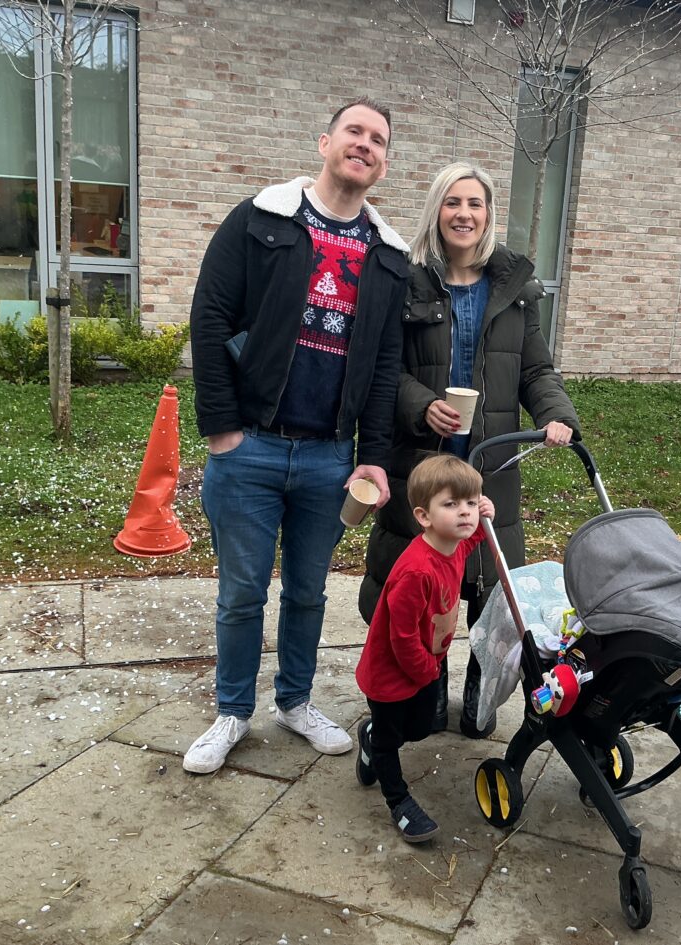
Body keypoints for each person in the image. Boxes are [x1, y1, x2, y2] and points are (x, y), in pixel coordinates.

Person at [183, 97, 409, 774]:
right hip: (249, 446)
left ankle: (295, 701)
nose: (364, 144)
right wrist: (222, 430)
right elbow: (210, 316)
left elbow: (385, 366)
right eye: (353, 131)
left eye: (378, 139)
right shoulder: (261, 219)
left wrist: (372, 458)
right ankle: (232, 711)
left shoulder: (388, 256)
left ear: (384, 164)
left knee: (308, 593)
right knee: (241, 593)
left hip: (329, 459)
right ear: (324, 143)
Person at [358, 162, 580, 738]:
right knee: (420, 590)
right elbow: (384, 369)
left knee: (490, 591)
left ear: (488, 213)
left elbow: (536, 370)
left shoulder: (516, 291)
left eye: (475, 203)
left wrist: (556, 415)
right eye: (452, 202)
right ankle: (424, 689)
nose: (464, 214)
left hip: (491, 464)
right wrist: (421, 404)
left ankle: (481, 696)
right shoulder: (407, 282)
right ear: (437, 210)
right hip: (424, 463)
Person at [354, 455, 496, 841]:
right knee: (390, 742)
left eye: (471, 502)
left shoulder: (453, 547)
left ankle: (370, 736)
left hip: (423, 666)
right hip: (392, 672)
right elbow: (400, 637)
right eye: (451, 504)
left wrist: (487, 516)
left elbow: (472, 540)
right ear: (424, 516)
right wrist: (426, 673)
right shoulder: (417, 571)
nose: (465, 512)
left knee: (417, 728)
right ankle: (398, 800)